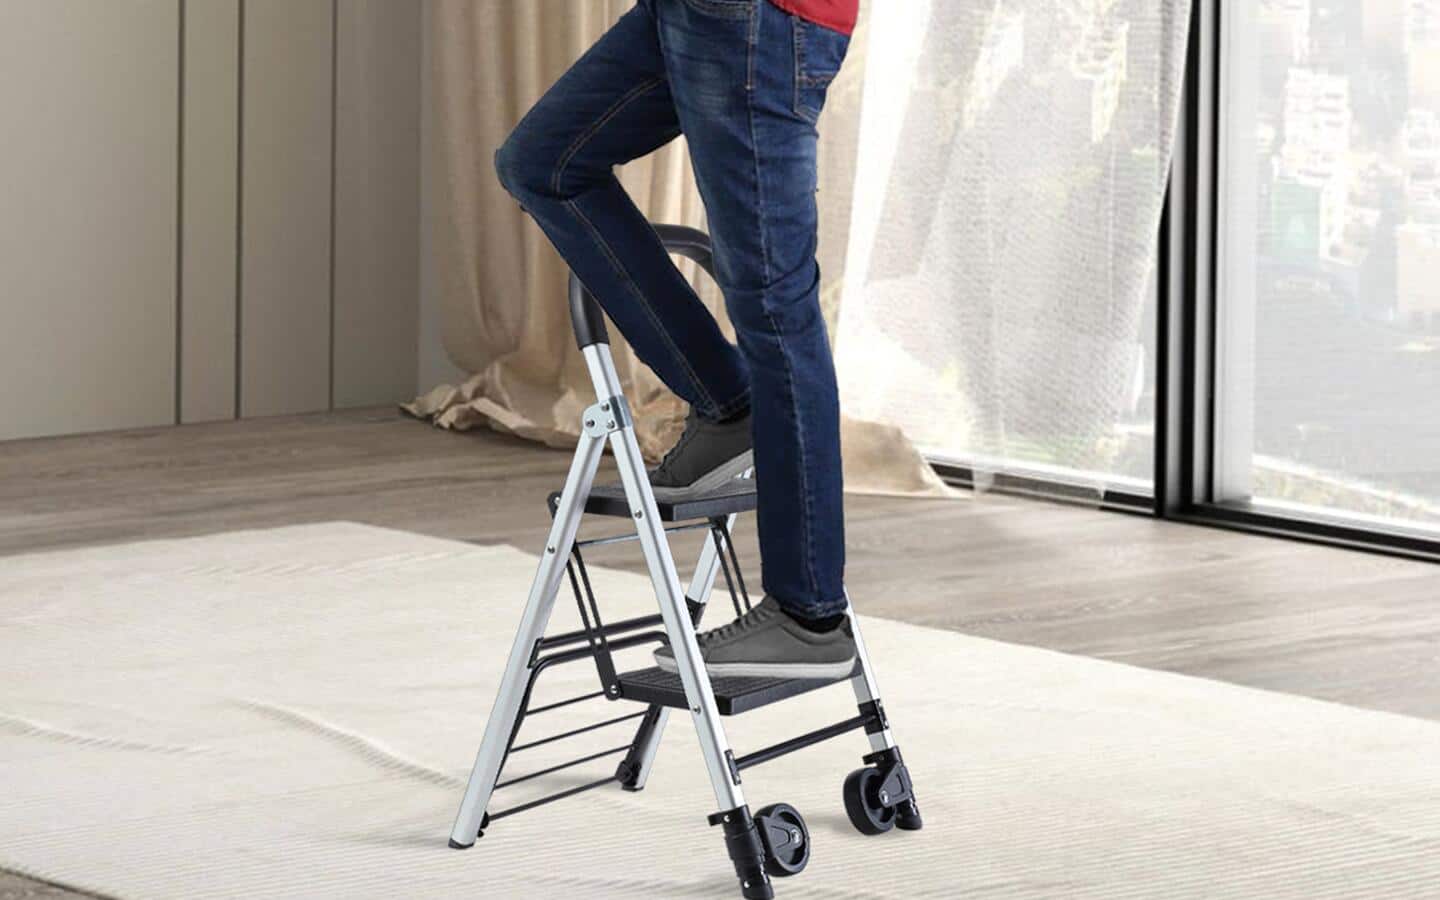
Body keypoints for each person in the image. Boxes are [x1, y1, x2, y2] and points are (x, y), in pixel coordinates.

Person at [494, 0, 859, 680]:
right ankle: (727, 406)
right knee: (543, 163)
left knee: (775, 306)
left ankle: (809, 618)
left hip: (758, 18)